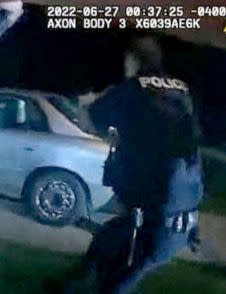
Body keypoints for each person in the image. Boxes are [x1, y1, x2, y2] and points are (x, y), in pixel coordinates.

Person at [80, 35, 204, 294]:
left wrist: (92, 105)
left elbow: (91, 119)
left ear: (132, 61)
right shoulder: (182, 88)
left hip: (154, 205)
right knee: (110, 246)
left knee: (119, 275)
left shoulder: (132, 87)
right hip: (180, 202)